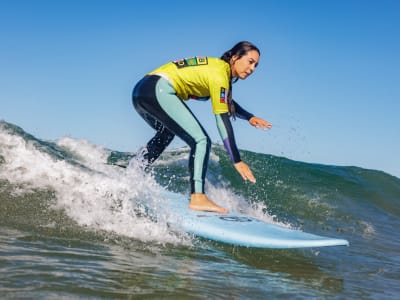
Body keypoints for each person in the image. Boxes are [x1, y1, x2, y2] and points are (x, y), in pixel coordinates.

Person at [132, 41, 272, 214]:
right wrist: (237, 160)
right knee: (201, 140)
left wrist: (249, 117)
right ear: (235, 57)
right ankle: (198, 197)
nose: (252, 69)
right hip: (158, 90)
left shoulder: (216, 69)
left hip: (142, 90)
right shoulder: (220, 74)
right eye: (250, 62)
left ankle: (134, 170)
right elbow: (222, 119)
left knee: (166, 133)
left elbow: (224, 99)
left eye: (256, 65)